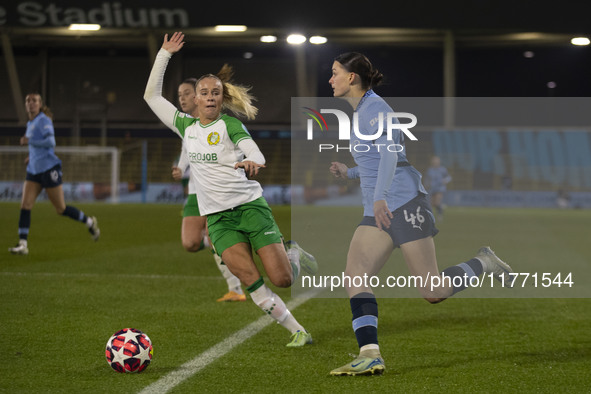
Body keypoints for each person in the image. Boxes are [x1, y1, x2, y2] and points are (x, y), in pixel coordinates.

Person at [327, 52, 513, 375]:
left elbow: (389, 156)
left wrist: (381, 197)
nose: (330, 80)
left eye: (334, 73)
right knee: (355, 274)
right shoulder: (361, 113)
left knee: (433, 291)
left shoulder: (375, 109)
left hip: (404, 203)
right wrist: (350, 173)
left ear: (352, 77)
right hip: (381, 207)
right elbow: (376, 162)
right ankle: (370, 353)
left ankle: (483, 262)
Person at [144, 32, 317, 347]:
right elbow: (152, 97)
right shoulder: (185, 127)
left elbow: (256, 153)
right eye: (204, 92)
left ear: (221, 99)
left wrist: (253, 162)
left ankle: (293, 253)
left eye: (215, 93)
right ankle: (297, 330)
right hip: (219, 220)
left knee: (283, 279)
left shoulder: (230, 126)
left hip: (251, 208)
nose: (210, 97)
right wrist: (164, 55)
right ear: (196, 99)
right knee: (251, 281)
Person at [172, 77, 246, 302]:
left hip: (218, 190)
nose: (182, 99)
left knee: (216, 237)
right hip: (196, 191)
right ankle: (223, 240)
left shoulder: (221, 124)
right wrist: (181, 167)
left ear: (197, 96)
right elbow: (187, 148)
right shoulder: (187, 125)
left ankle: (236, 289)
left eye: (186, 93)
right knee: (191, 243)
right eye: (179, 95)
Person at [8, 93, 100, 255]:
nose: (31, 103)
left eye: (34, 100)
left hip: (50, 169)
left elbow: (51, 142)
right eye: (28, 101)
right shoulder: (31, 123)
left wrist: (30, 142)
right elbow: (39, 147)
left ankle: (89, 222)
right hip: (34, 171)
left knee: (61, 209)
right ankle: (23, 244)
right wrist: (32, 157)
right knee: (25, 205)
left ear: (40, 104)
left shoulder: (44, 120)